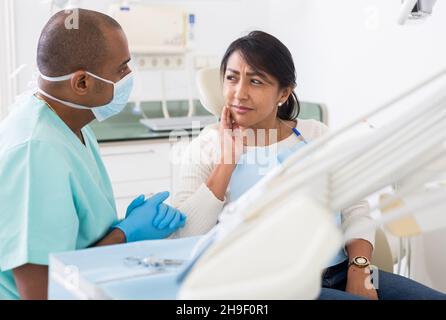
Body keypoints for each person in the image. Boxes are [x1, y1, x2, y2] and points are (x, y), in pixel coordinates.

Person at [171, 30, 446, 300]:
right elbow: (186, 234)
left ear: (283, 93)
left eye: (256, 81)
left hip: (343, 270)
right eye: (232, 78)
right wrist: (226, 163)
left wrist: (360, 272)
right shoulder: (205, 146)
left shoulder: (316, 135)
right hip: (277, 287)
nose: (239, 93)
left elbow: (356, 209)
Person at [0, 9, 186, 300]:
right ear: (82, 83)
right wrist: (125, 235)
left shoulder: (72, 122)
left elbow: (74, 237)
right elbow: (40, 292)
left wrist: (119, 228)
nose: (129, 76)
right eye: (122, 69)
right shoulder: (34, 151)